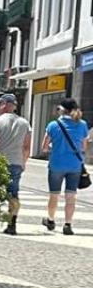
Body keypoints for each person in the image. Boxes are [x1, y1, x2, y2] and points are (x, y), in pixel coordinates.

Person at [0, 92, 31, 235]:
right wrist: (23, 163)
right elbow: (26, 147)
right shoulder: (25, 123)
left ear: (4, 105)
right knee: (13, 194)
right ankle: (12, 224)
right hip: (16, 163)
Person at [42, 97, 89, 235]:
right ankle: (68, 225)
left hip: (56, 164)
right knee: (71, 196)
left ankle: (50, 220)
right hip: (75, 165)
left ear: (62, 110)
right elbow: (83, 147)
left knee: (54, 195)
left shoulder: (53, 125)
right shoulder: (82, 125)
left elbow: (44, 147)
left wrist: (55, 147)